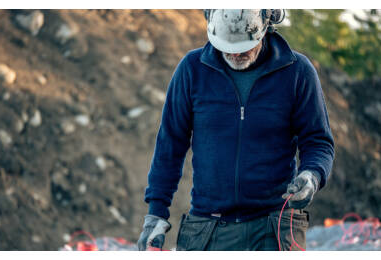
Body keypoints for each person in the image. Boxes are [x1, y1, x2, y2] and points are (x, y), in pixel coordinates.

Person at [137, 9, 334, 251]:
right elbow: (170, 145)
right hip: (207, 227)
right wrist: (156, 213)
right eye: (227, 47)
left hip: (274, 227)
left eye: (244, 46)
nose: (235, 53)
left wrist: (312, 175)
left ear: (266, 27)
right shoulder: (192, 69)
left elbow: (318, 141)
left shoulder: (297, 72)